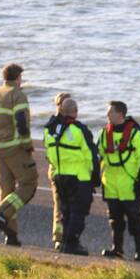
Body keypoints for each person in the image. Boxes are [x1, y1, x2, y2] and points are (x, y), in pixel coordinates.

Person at [0, 63, 38, 246]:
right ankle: (1, 215)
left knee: (6, 190)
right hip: (15, 148)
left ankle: (11, 235)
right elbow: (21, 122)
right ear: (18, 77)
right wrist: (27, 144)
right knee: (29, 183)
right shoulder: (18, 95)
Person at [44, 97, 100, 255]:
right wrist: (95, 177)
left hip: (59, 175)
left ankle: (65, 242)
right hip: (79, 177)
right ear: (75, 112)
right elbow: (91, 155)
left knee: (66, 210)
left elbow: (49, 154)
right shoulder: (78, 130)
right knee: (78, 211)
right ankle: (71, 243)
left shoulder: (50, 130)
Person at [98, 100, 140, 261]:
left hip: (129, 184)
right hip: (111, 184)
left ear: (120, 114)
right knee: (114, 218)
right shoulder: (104, 133)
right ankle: (117, 249)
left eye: (110, 112)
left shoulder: (136, 135)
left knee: (135, 218)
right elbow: (98, 155)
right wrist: (94, 177)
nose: (107, 115)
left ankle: (139, 252)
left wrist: (139, 181)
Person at [45, 92, 71, 248]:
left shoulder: (51, 124)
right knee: (62, 204)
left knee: (59, 204)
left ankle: (60, 237)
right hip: (62, 170)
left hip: (55, 169)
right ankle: (60, 237)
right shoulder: (67, 124)